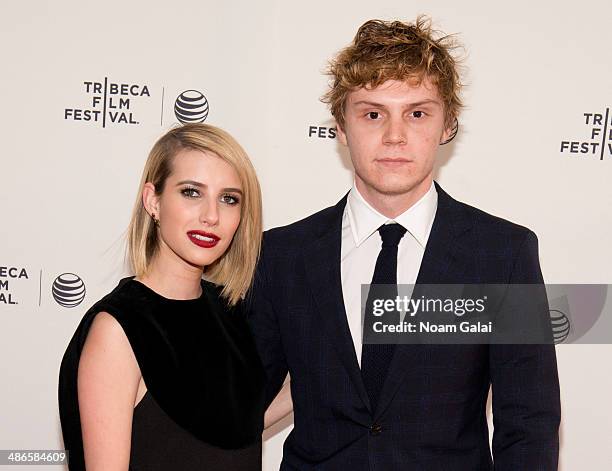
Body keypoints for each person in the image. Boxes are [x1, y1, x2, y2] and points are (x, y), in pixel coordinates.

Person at [248, 17, 561, 470]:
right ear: (340, 125)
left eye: (417, 113)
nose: (394, 136)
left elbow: (529, 423)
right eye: (373, 114)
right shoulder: (282, 255)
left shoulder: (502, 254)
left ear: (447, 124)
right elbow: (239, 407)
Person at [59, 123, 281, 470]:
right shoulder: (119, 329)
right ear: (153, 200)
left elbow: (231, 429)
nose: (211, 216)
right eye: (191, 192)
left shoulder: (229, 312)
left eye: (229, 199)